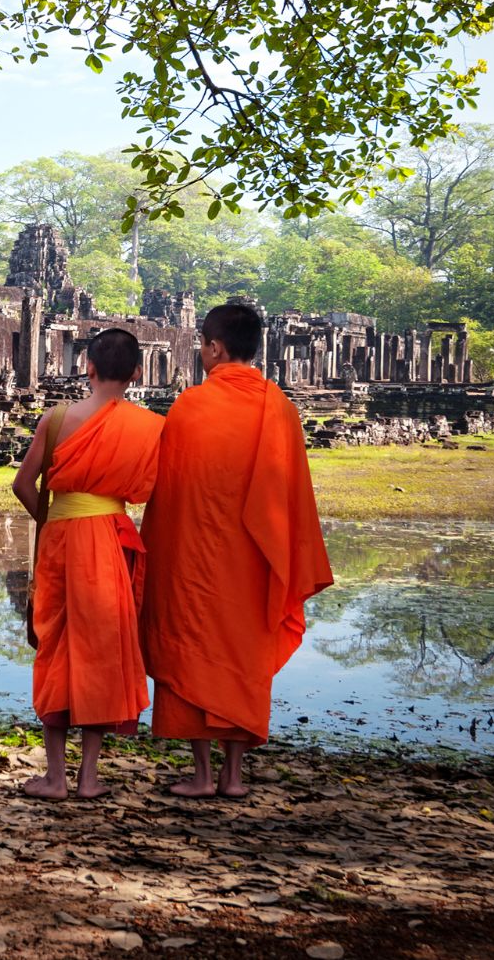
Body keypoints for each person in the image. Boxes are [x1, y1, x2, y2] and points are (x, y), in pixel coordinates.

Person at [140, 303, 333, 797]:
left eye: (203, 345)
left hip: (194, 560)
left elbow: (170, 493)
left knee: (191, 651)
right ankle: (233, 776)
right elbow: (292, 495)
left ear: (215, 347)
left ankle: (203, 775)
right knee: (242, 654)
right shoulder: (281, 408)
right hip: (254, 562)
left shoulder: (191, 406)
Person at [10, 328, 164, 800]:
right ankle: (89, 778)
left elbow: (23, 484)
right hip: (110, 540)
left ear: (88, 367)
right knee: (102, 650)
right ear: (138, 373)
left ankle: (54, 777)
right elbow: (150, 490)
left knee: (56, 645)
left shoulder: (56, 420)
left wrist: (56, 519)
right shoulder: (150, 426)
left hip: (61, 541)